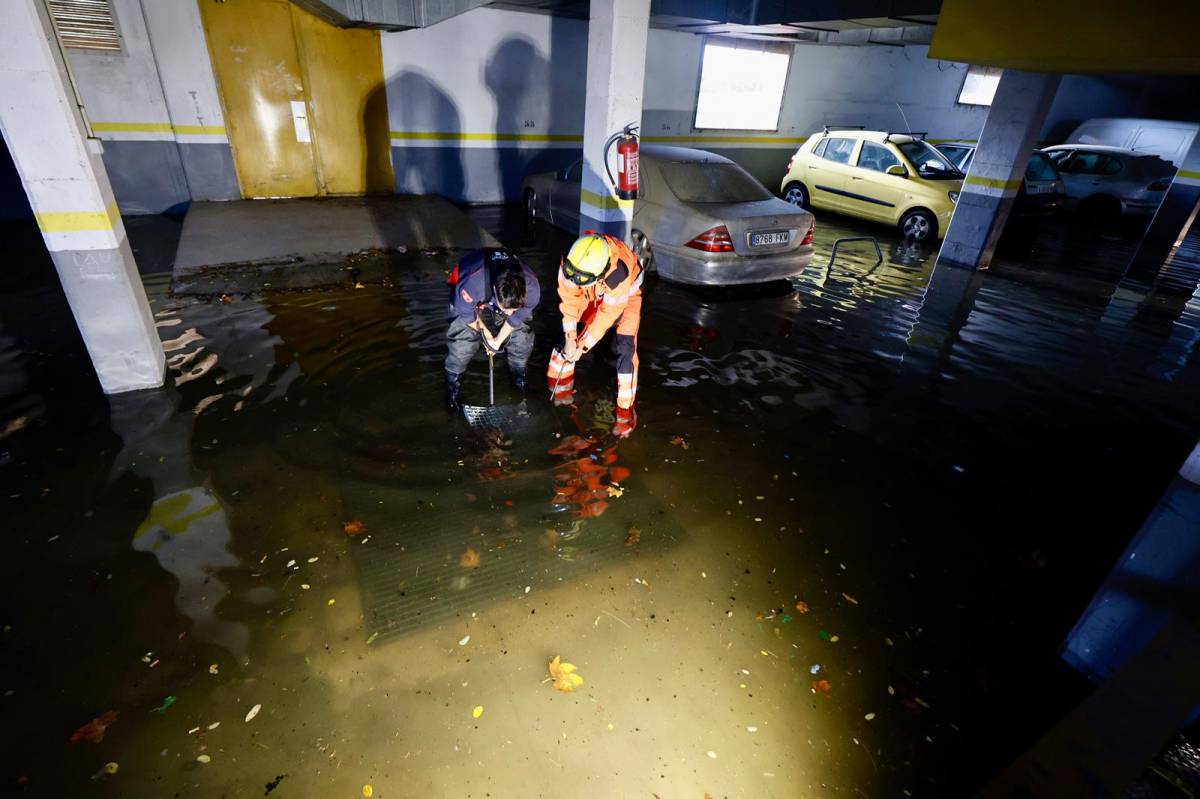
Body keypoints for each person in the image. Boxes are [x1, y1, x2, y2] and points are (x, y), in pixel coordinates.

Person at [546, 231, 643, 437]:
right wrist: (571, 337)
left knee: (625, 351)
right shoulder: (572, 264)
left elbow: (605, 317)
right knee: (565, 341)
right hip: (592, 289)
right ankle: (559, 389)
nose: (575, 281)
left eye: (581, 280)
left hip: (627, 296)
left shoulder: (619, 275)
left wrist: (582, 346)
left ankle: (625, 413)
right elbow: (569, 301)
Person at [446, 247, 540, 410]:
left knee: (521, 339)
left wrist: (497, 341)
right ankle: (452, 390)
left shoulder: (532, 289)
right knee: (463, 344)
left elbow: (516, 317)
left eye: (514, 309)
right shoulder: (472, 284)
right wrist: (488, 336)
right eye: (506, 310)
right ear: (496, 290)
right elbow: (467, 314)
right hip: (471, 290)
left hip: (499, 296)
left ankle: (519, 380)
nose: (510, 313)